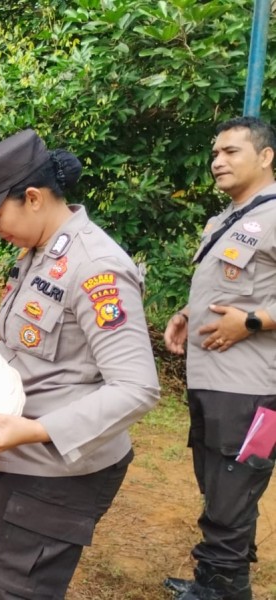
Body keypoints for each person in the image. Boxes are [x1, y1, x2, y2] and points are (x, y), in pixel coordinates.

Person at [0, 129, 159, 599]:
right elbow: (26, 349)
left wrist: (32, 431)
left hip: (61, 467)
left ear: (32, 197)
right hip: (24, 455)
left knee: (13, 590)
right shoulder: (39, 253)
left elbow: (137, 388)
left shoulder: (96, 266)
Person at [163, 116, 276, 600]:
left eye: (231, 151)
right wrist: (188, 313)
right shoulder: (225, 220)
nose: (217, 161)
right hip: (211, 383)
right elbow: (228, 287)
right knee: (219, 488)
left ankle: (221, 590)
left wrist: (251, 322)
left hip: (255, 392)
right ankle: (220, 582)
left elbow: (250, 307)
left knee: (234, 489)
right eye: (215, 153)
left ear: (266, 156)